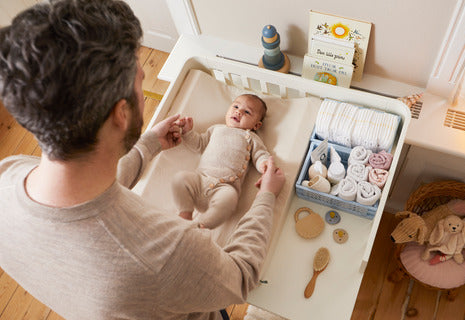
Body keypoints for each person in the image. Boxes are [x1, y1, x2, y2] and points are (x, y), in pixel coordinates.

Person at [0, 1, 285, 320]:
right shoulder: (172, 250)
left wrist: (147, 145)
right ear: (121, 114)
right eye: (140, 79)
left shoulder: (7, 174)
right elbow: (242, 276)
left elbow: (87, 190)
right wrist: (265, 197)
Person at [173, 94, 271, 228]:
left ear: (256, 125)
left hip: (224, 187)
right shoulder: (216, 129)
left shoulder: (251, 137)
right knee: (180, 178)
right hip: (200, 180)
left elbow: (260, 154)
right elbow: (199, 144)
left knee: (230, 198)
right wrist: (188, 132)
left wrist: (264, 164)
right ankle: (185, 215)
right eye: (236, 106)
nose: (238, 111)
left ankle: (202, 225)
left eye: (247, 112)